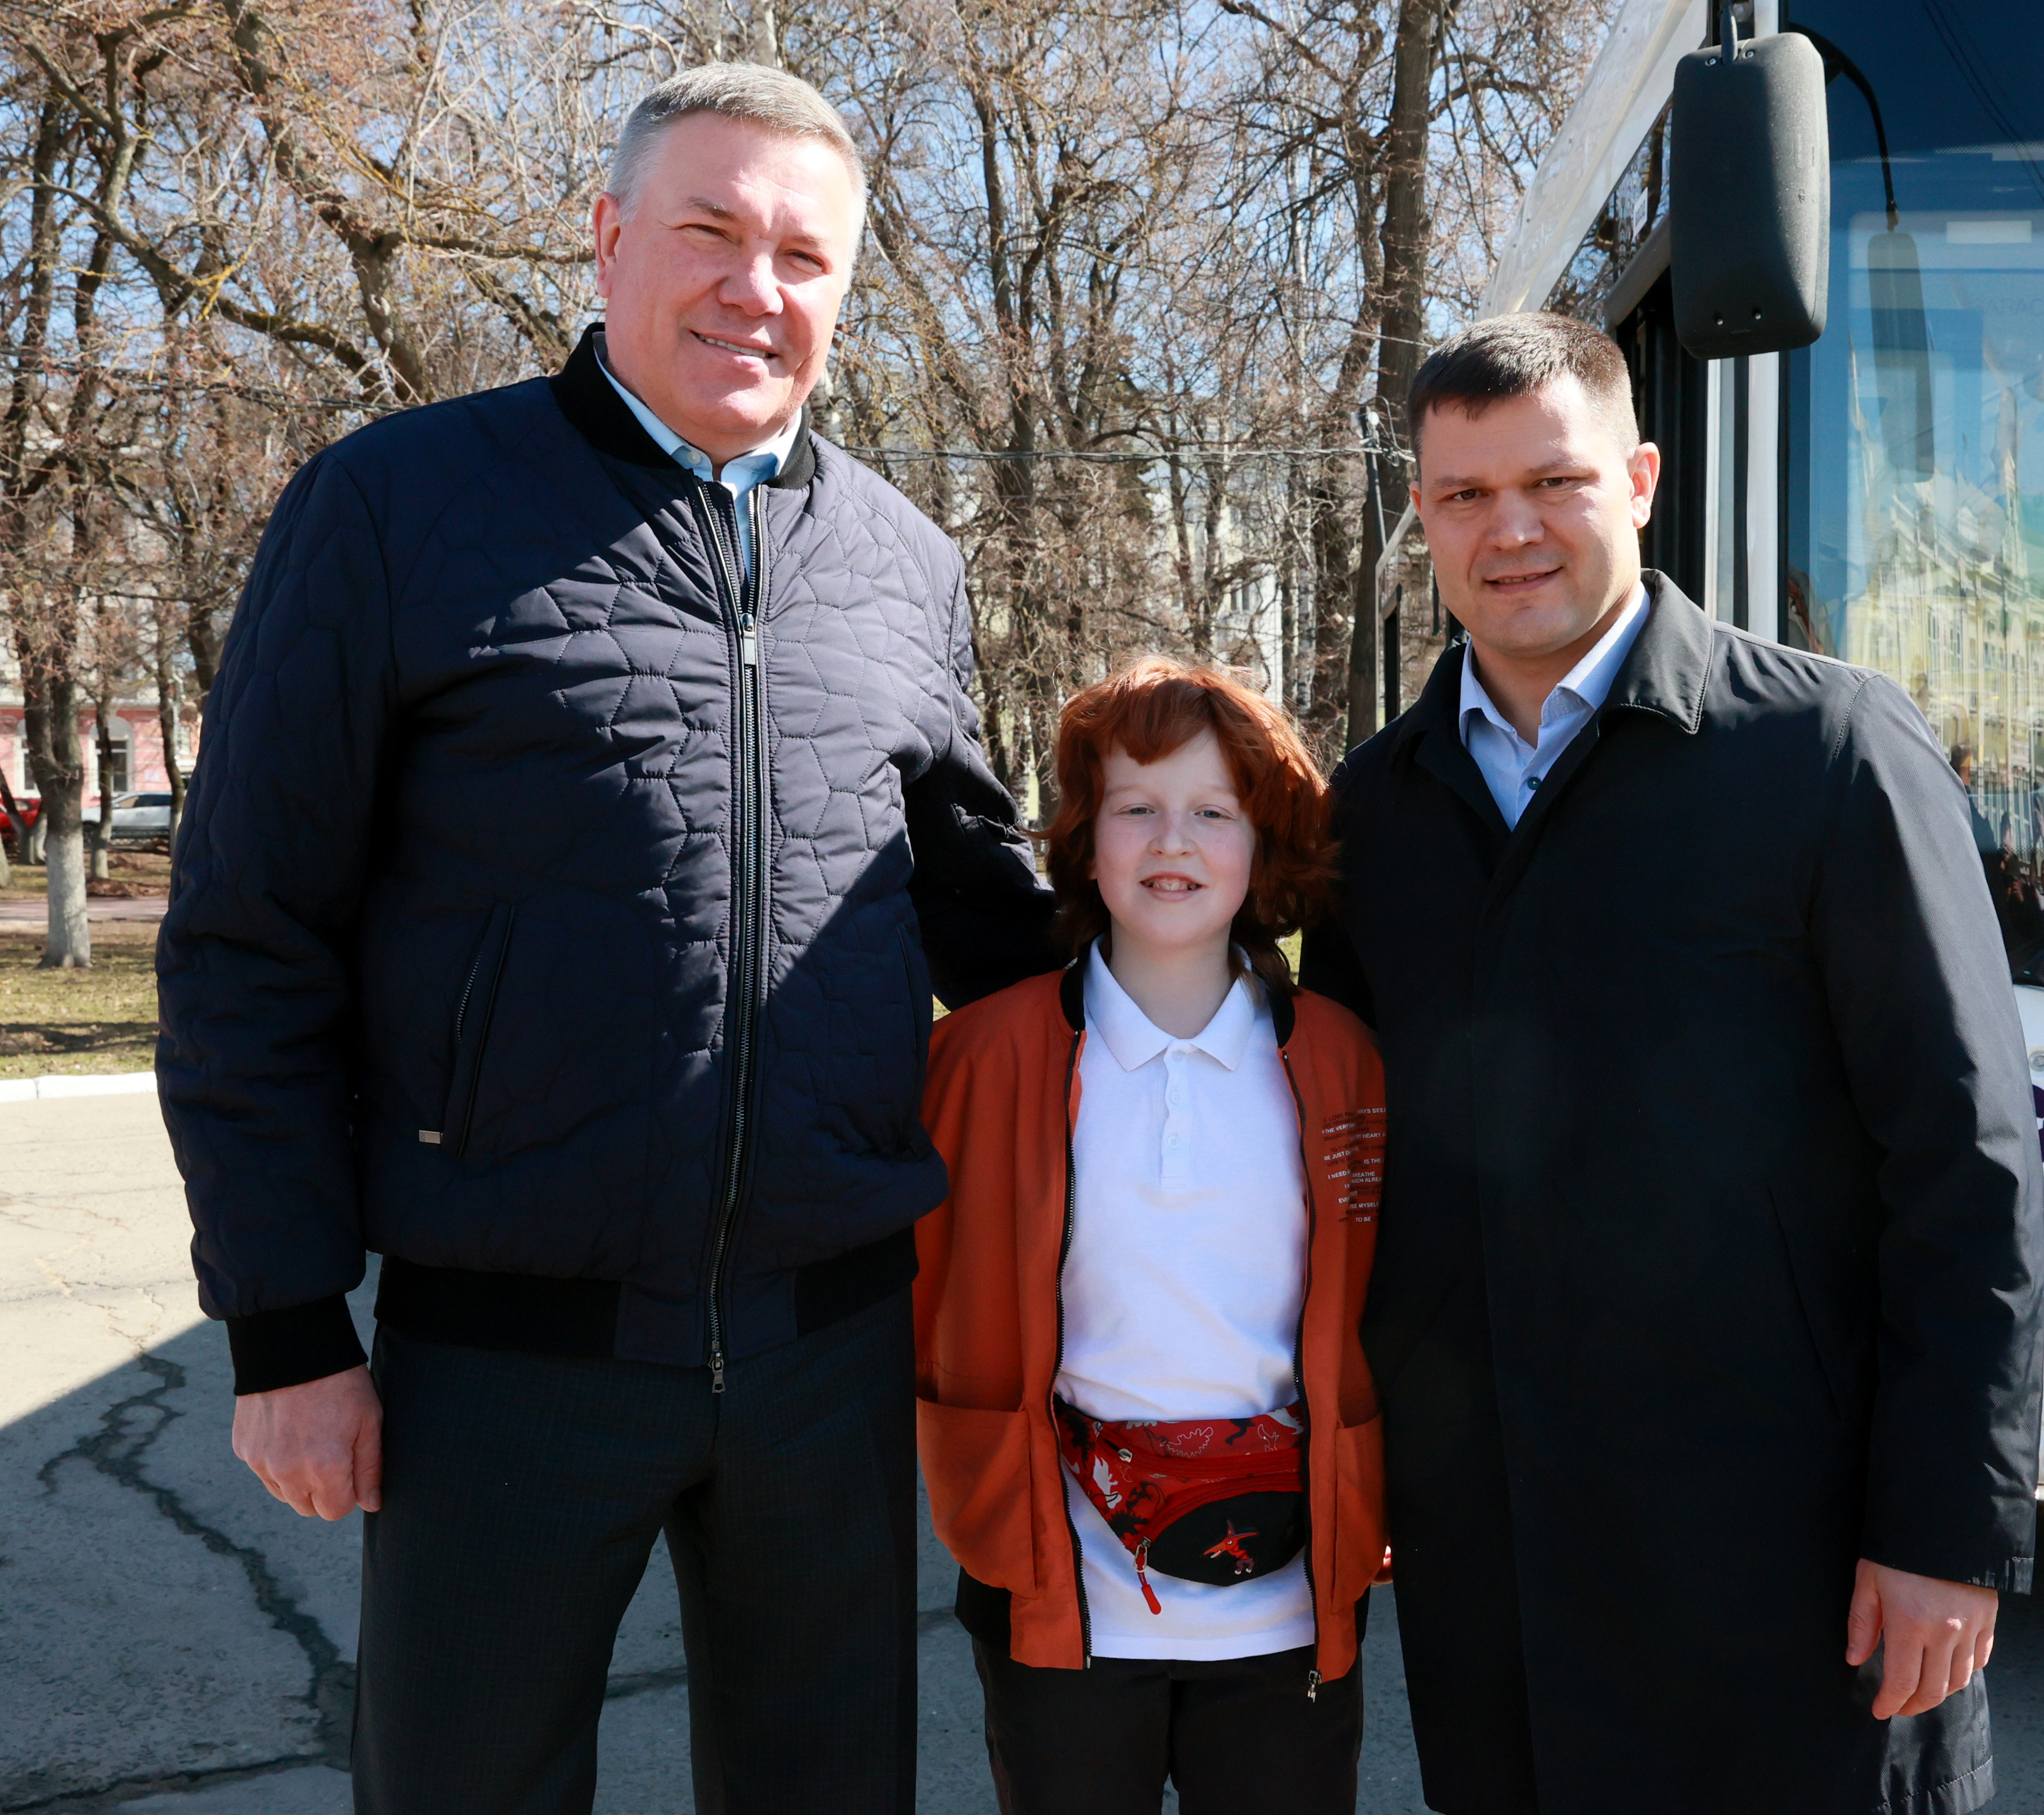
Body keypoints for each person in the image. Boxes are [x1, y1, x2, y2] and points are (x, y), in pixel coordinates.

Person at [156, 65, 1054, 1812]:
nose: (754, 287)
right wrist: (283, 1328)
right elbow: (249, 936)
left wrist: (1219, 952)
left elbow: (982, 911)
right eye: (710, 231)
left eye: (802, 255)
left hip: (830, 1354)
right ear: (609, 238)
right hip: (504, 1364)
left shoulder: (904, 561)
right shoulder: (396, 505)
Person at [1300, 313, 2042, 1815]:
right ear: (1422, 517)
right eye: (1462, 496)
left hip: (1792, 1563)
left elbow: (1964, 1165)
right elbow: (1360, 1171)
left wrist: (1948, 1532)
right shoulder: (1374, 810)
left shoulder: (1829, 755)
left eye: (1552, 483)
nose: (1508, 531)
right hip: (1499, 1568)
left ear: (1639, 480)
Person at [915, 659, 1386, 1814]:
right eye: (1135, 806)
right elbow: (924, 1284)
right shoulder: (979, 1059)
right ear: (1083, 839)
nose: (1171, 840)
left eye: (1213, 811)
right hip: (1060, 1583)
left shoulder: (1339, 1060)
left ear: (1264, 843)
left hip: (1285, 1595)